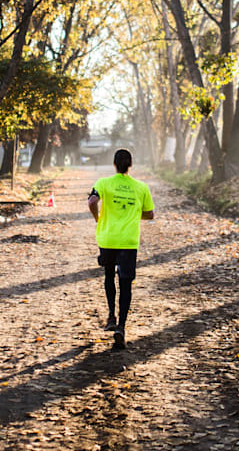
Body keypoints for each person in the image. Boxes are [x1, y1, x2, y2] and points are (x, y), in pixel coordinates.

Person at [87, 149, 154, 350]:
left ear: (114, 164)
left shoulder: (103, 183)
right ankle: (121, 328)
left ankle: (110, 316)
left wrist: (97, 218)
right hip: (128, 241)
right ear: (130, 165)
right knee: (126, 284)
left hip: (107, 239)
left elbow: (91, 201)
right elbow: (150, 214)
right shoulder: (141, 187)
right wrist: (134, 214)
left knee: (109, 276)